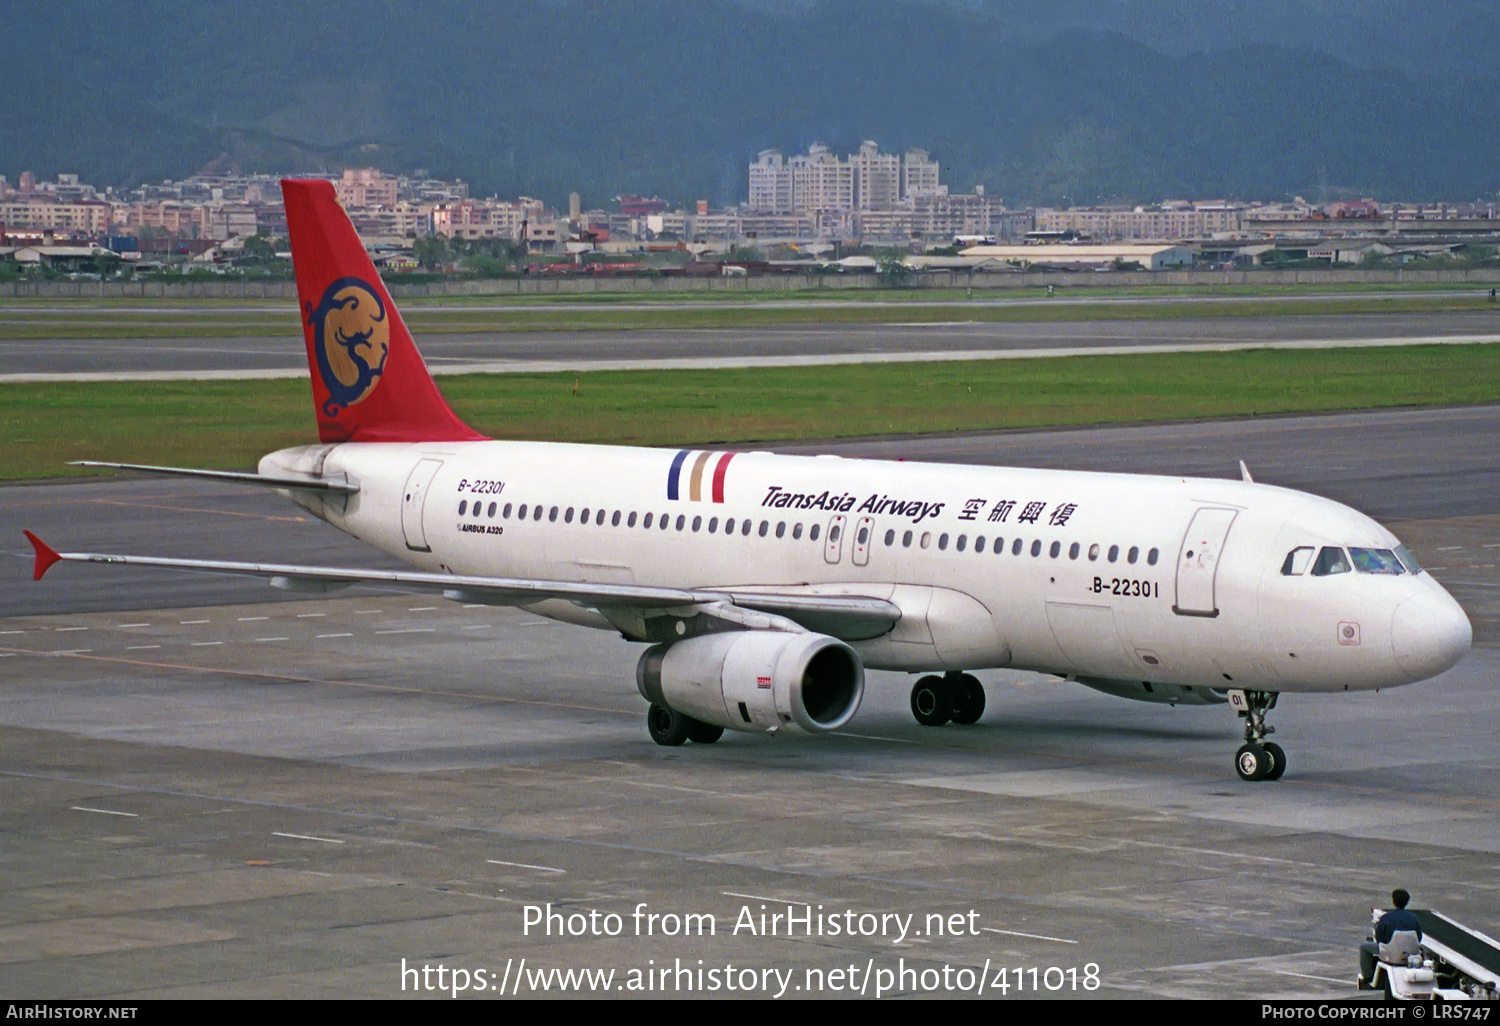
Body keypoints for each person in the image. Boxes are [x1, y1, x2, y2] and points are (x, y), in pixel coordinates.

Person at [1360, 888, 1423, 983]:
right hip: (1410, 955)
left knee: (1364, 947)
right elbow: (1419, 937)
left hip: (1391, 954)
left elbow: (1379, 939)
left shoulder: (1386, 918)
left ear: (1393, 901)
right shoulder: (1414, 918)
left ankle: (1368, 976)